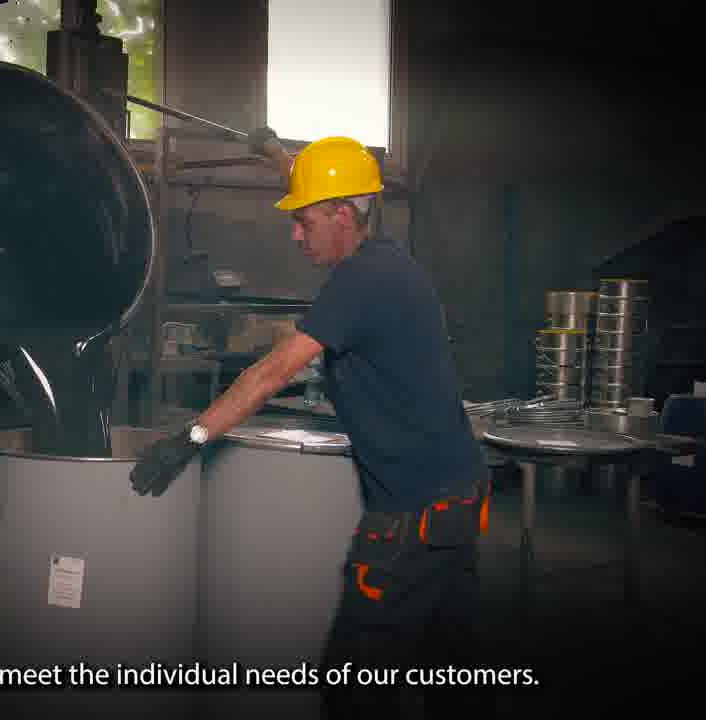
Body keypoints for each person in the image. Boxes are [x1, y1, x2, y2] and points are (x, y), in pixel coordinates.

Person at [129, 129, 494, 719]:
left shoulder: (360, 282)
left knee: (353, 684)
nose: (295, 235)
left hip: (410, 517)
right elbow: (315, 185)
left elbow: (272, 372)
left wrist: (190, 438)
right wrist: (275, 152)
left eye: (303, 222)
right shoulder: (387, 261)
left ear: (343, 216)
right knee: (456, 672)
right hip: (457, 498)